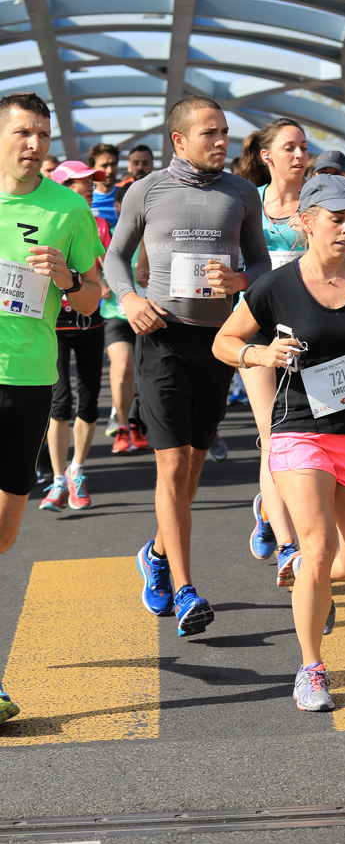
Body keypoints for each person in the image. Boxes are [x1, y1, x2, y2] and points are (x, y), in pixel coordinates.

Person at [213, 175, 345, 710]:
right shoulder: (275, 287)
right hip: (300, 429)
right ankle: (311, 669)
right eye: (336, 218)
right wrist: (258, 355)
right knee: (317, 547)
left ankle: (306, 575)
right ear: (305, 222)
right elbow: (225, 341)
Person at [104, 94, 271, 636]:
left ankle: (155, 553)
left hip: (217, 343)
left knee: (193, 468)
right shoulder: (146, 190)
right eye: (209, 133)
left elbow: (261, 262)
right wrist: (130, 300)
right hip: (163, 338)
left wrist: (241, 280)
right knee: (173, 467)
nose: (222, 141)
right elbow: (115, 258)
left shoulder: (241, 193)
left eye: (224, 131)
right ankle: (185, 589)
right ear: (178, 140)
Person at [0, 92, 103, 724]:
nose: (34, 144)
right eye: (22, 132)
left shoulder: (68, 209)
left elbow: (92, 301)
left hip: (31, 378)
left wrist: (66, 278)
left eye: (41, 133)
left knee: (5, 533)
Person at [235, 117, 310, 580]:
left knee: (304, 434)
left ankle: (271, 505)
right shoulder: (247, 201)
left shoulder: (319, 200)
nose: (300, 155)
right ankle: (287, 546)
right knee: (273, 433)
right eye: (290, 147)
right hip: (257, 328)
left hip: (310, 331)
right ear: (267, 156)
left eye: (304, 146)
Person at [38, 161, 111, 511]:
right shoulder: (46, 219)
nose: (90, 188)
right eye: (82, 182)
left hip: (89, 323)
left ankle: (76, 470)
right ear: (63, 186)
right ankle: (57, 480)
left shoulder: (95, 222)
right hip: (55, 325)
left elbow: (103, 266)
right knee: (60, 402)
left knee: (89, 400)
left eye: (92, 183)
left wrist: (110, 283)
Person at [102, 181, 150, 455]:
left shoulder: (155, 234)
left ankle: (140, 423)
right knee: (122, 369)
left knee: (145, 374)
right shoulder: (106, 234)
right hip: (117, 315)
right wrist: (101, 281)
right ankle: (122, 426)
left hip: (150, 314)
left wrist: (148, 273)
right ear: (118, 206)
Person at [87, 143, 120, 226]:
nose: (110, 170)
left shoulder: (127, 194)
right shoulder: (85, 199)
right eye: (104, 166)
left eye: (113, 164)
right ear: (92, 169)